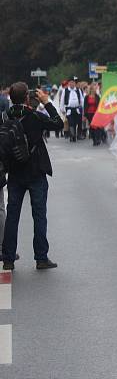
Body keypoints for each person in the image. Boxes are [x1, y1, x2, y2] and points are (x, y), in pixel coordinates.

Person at [1, 82, 63, 270]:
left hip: (15, 172)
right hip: (36, 170)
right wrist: (47, 102)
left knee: (13, 215)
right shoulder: (35, 115)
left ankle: (9, 258)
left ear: (10, 98)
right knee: (39, 215)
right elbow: (58, 124)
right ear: (28, 98)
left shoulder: (5, 118)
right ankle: (41, 257)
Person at [62, 77, 84, 142]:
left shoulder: (78, 90)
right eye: (70, 82)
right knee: (71, 123)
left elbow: (82, 99)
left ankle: (77, 134)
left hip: (77, 109)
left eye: (73, 82)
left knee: (76, 122)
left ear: (74, 83)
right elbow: (62, 101)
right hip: (69, 109)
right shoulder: (65, 90)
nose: (72, 84)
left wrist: (83, 108)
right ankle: (72, 136)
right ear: (68, 83)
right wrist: (62, 110)